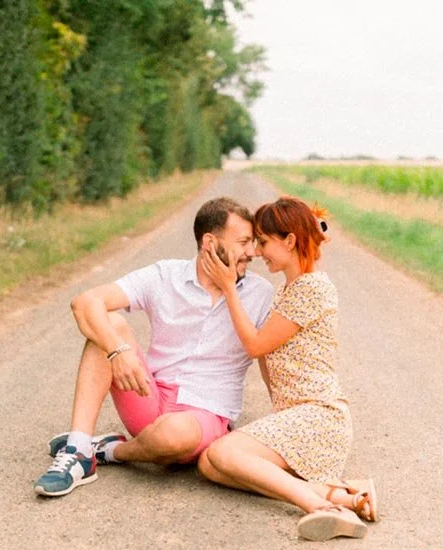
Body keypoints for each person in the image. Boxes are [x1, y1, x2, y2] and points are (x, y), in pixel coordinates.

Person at [34, 197, 276, 497]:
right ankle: (78, 450)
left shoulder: (261, 294)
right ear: (210, 243)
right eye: (243, 242)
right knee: (108, 323)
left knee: (174, 434)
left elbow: (269, 360)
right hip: (150, 398)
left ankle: (109, 451)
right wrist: (117, 351)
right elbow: (85, 303)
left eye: (253, 243)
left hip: (204, 415)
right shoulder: (165, 275)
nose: (252, 252)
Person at [197, 196, 378, 541]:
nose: (257, 252)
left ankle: (322, 507)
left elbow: (255, 346)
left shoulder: (312, 289)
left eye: (263, 242)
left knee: (223, 452)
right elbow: (266, 359)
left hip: (319, 416)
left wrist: (229, 288)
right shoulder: (287, 290)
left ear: (290, 240)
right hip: (297, 417)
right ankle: (343, 495)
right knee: (209, 464)